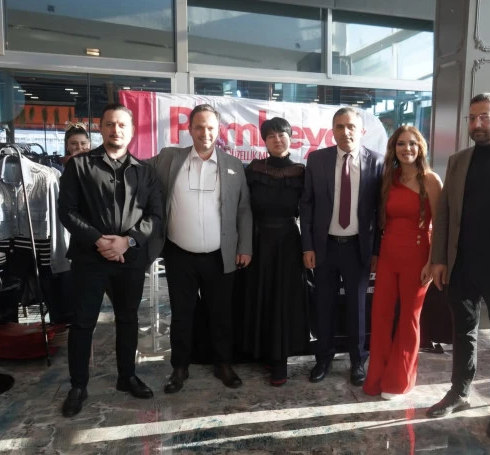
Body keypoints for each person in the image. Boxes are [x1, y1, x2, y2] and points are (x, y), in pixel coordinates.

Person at [426, 93, 490, 440]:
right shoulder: (458, 160)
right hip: (462, 264)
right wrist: (439, 259)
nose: (477, 124)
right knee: (463, 332)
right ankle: (460, 392)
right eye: (472, 118)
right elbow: (444, 213)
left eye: (484, 117)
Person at [58, 103, 164, 418]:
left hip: (130, 258)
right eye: (109, 124)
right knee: (83, 323)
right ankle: (78, 386)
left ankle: (126, 376)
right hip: (89, 259)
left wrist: (126, 241)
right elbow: (66, 211)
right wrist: (99, 240)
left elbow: (155, 215)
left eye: (122, 125)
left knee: (128, 319)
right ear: (101, 128)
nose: (116, 130)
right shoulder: (79, 166)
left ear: (131, 131)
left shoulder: (145, 171)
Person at [148, 104, 252, 394]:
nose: (205, 133)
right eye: (199, 127)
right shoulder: (170, 158)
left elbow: (243, 209)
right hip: (179, 253)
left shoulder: (233, 165)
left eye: (210, 128)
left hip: (221, 255)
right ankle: (180, 367)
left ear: (218, 131)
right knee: (182, 314)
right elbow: (135, 167)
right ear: (189, 129)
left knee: (221, 314)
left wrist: (245, 246)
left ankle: (223, 364)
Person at [299, 106, 383, 386]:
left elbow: (381, 213)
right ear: (332, 131)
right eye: (339, 127)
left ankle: (358, 360)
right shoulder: (317, 160)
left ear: (362, 131)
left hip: (358, 248)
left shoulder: (378, 162)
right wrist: (307, 246)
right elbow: (307, 205)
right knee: (324, 305)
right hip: (325, 247)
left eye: (351, 126)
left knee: (358, 308)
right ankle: (323, 358)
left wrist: (376, 251)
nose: (345, 132)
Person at [362, 126, 442, 400]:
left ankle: (399, 381)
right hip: (388, 255)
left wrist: (432, 262)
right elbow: (380, 222)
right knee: (380, 316)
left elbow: (439, 225)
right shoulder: (389, 178)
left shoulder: (430, 180)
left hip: (418, 257)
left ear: (420, 148)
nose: (407, 149)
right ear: (393, 149)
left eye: (412, 144)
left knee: (409, 318)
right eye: (401, 144)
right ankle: (377, 377)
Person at [243, 117, 309, 386]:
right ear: (264, 141)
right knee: (260, 295)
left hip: (288, 242)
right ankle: (263, 352)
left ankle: (280, 358)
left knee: (284, 299)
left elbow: (309, 212)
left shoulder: (301, 172)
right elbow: (243, 210)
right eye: (271, 136)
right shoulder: (253, 170)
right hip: (258, 241)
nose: (277, 139)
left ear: (290, 138)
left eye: (282, 134)